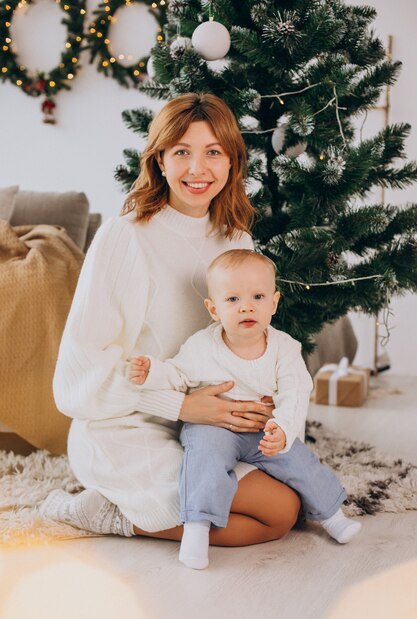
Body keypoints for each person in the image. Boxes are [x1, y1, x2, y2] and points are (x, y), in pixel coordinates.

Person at [39, 93, 302, 548]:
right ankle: (102, 512)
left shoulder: (236, 238)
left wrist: (257, 405)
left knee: (289, 506)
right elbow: (77, 376)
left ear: (232, 163)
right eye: (182, 151)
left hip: (208, 430)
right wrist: (180, 406)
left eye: (213, 152)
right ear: (159, 159)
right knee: (275, 516)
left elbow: (249, 340)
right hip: (128, 429)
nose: (197, 169)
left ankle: (138, 508)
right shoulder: (126, 236)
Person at [129, 249, 362, 568]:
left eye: (257, 296)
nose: (247, 306)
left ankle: (332, 516)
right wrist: (152, 372)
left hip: (263, 428)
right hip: (213, 425)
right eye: (233, 300)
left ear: (274, 303)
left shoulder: (284, 349)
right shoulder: (202, 346)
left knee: (299, 461)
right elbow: (177, 374)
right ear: (213, 309)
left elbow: (295, 391)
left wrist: (282, 427)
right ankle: (196, 528)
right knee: (203, 459)